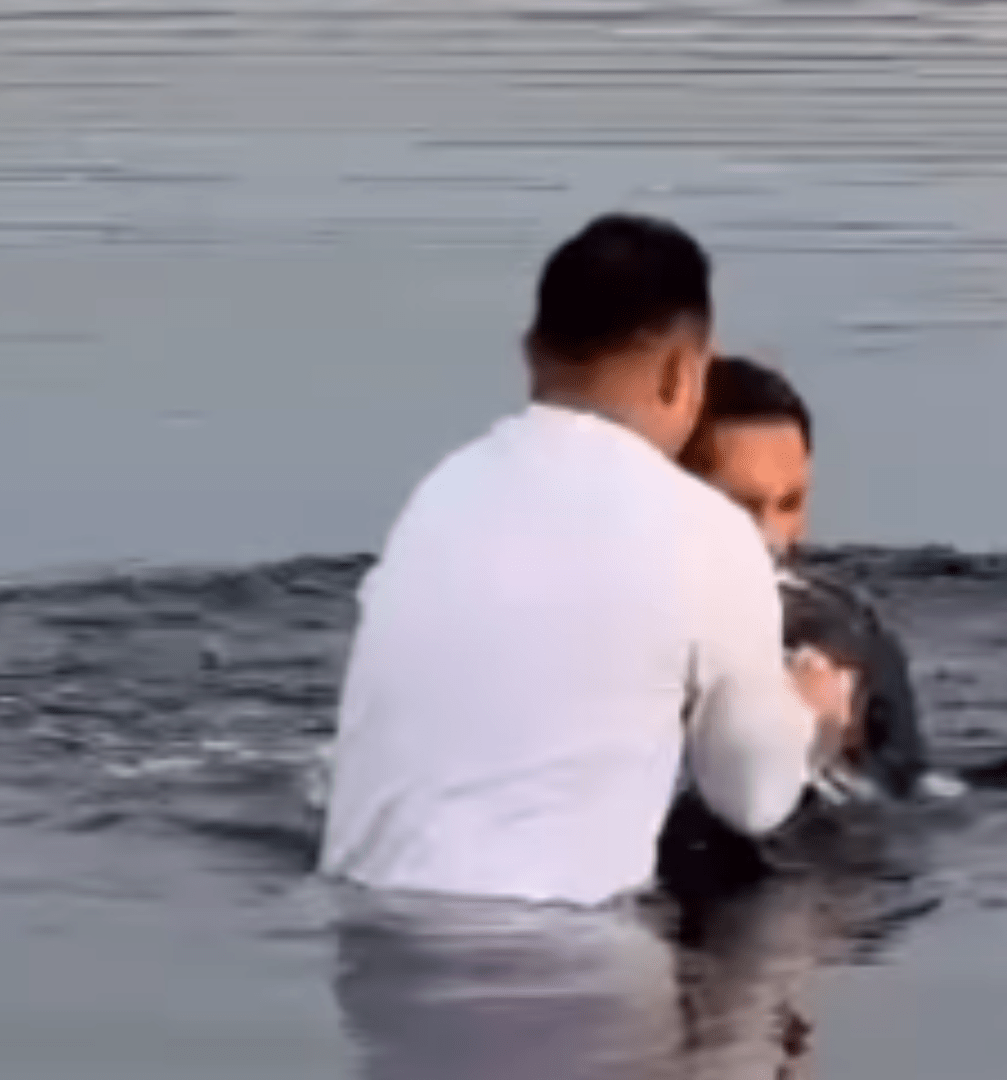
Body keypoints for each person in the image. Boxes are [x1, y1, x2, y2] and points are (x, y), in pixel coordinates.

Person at [320, 214, 852, 907]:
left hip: (367, 952)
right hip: (561, 966)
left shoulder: (440, 494)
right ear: (681, 372)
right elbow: (752, 803)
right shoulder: (705, 531)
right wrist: (813, 722)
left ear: (529, 355)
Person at [659, 356, 961, 903]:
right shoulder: (605, 632)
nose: (773, 537)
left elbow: (908, 801)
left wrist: (833, 750)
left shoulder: (847, 633)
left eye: (791, 503)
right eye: (742, 507)